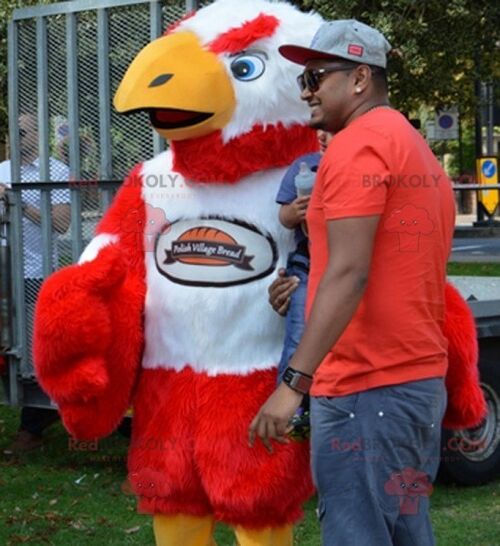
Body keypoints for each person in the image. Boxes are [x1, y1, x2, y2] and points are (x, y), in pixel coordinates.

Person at [249, 19, 455, 546]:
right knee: (406, 532)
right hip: (412, 385)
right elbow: (381, 265)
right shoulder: (410, 144)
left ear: (360, 78)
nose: (306, 92)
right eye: (303, 80)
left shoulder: (355, 146)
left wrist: (293, 385)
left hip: (367, 388)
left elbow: (350, 271)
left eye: (316, 77)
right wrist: (308, 290)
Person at [0, 112, 70, 454]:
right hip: (5, 270)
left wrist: (18, 203)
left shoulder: (54, 171)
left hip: (37, 271)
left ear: (39, 135)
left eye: (23, 130)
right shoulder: (1, 169)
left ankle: (33, 425)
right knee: (9, 347)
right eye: (13, 129)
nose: (17, 134)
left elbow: (60, 225)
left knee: (33, 351)